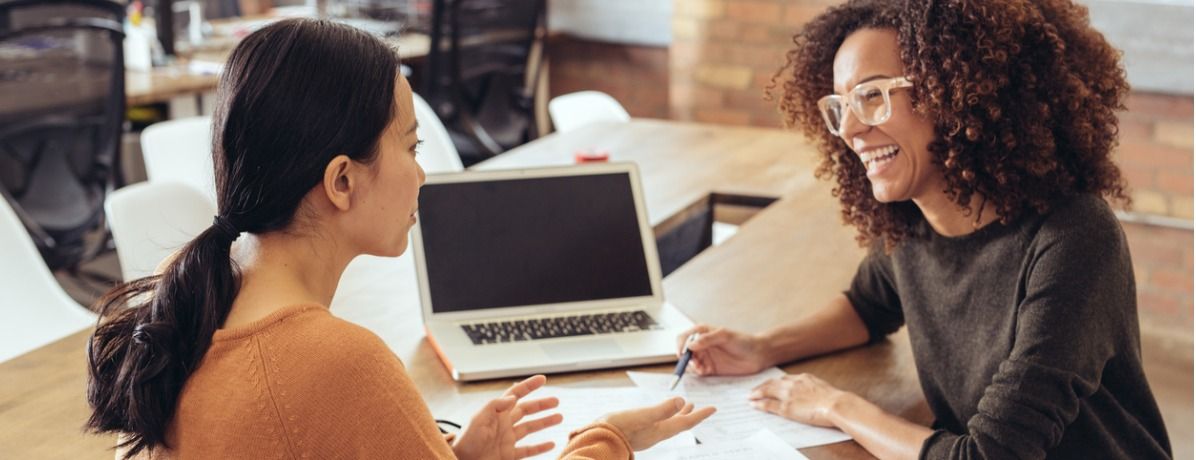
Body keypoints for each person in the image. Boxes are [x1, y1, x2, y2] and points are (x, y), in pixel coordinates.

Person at [85, 18, 713, 459]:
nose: (422, 172)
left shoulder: (182, 297)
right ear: (340, 180)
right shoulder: (336, 361)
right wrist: (609, 441)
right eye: (411, 147)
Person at [677, 0, 1171, 458]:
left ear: (955, 94)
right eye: (841, 105)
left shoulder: (1073, 237)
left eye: (872, 96)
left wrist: (835, 406)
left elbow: (989, 455)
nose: (850, 128)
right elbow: (868, 307)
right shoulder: (914, 221)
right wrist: (761, 348)